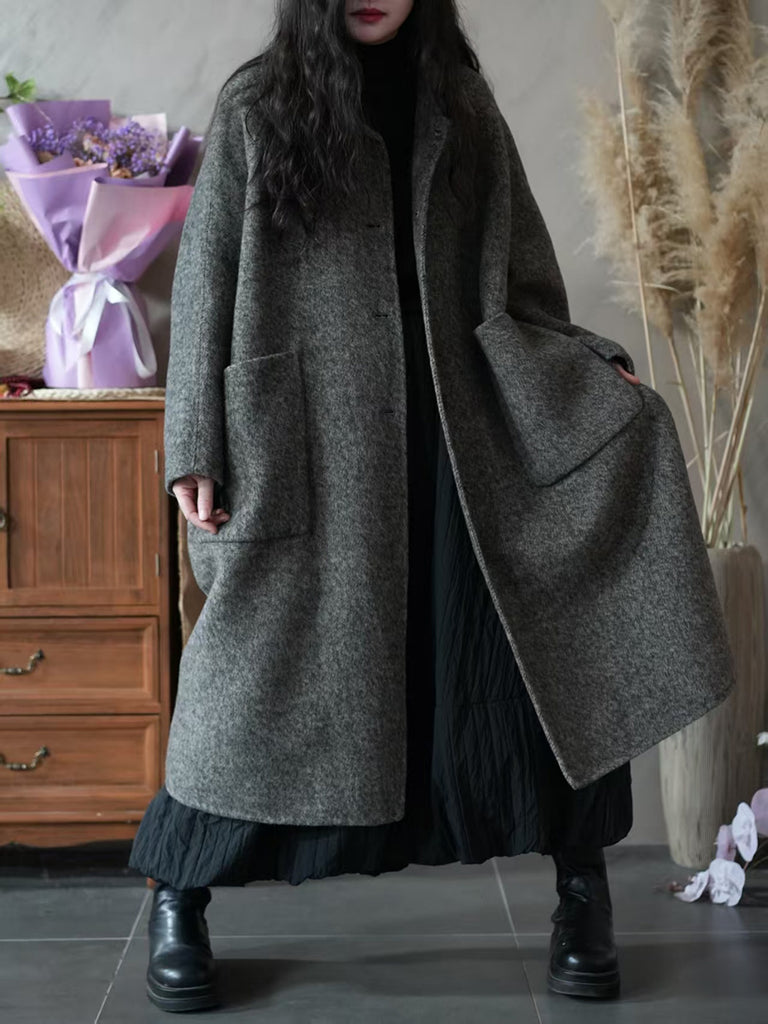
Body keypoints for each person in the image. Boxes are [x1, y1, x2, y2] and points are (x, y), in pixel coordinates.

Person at [129, 0, 641, 1012]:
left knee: (532, 664)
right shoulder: (258, 106)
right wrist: (194, 443)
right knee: (253, 681)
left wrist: (592, 367)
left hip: (462, 436)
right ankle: (179, 893)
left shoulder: (463, 106)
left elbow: (526, 283)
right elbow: (206, 282)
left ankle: (582, 890)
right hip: (306, 441)